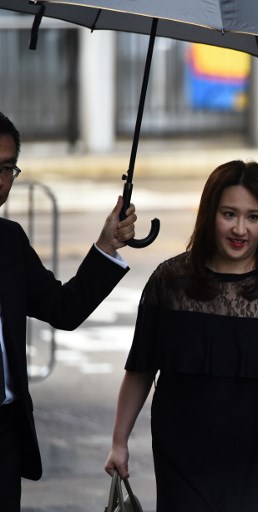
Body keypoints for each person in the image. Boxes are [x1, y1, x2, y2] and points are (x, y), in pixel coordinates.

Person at [104, 160, 258, 511]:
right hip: (182, 457)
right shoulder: (169, 283)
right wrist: (119, 442)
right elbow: (141, 368)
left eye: (253, 217)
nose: (240, 229)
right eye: (229, 214)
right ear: (209, 213)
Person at [0, 111, 137, 511]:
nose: (0, 180)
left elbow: (63, 308)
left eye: (8, 167)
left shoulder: (9, 241)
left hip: (6, 436)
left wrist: (106, 246)